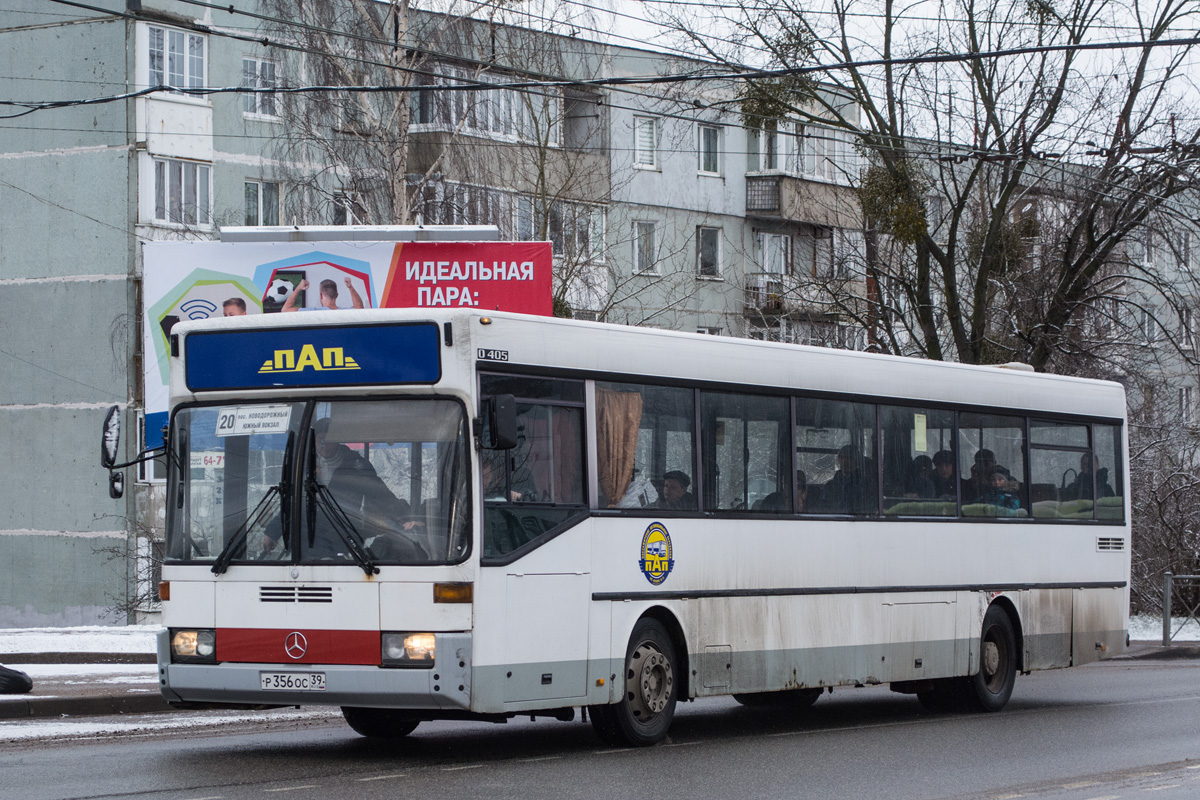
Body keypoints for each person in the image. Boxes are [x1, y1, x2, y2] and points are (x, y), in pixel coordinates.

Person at [817, 445, 874, 514]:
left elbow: (866, 508)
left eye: (849, 458)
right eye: (842, 457)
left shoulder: (864, 485)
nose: (845, 461)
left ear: (857, 460)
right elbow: (822, 508)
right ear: (838, 459)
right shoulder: (830, 486)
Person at [282, 277, 365, 312]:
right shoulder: (344, 312)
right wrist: (350, 287)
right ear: (337, 295)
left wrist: (298, 288)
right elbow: (359, 308)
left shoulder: (313, 312)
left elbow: (285, 310)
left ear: (321, 295)